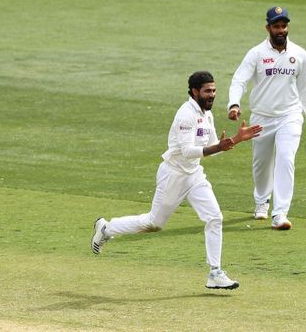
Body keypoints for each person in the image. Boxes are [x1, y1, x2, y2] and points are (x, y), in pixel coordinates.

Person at [91, 71, 262, 290]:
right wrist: (217, 146)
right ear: (194, 91)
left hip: (194, 175)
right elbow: (188, 151)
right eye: (207, 91)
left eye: (214, 90)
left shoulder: (206, 114)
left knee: (215, 217)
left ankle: (215, 273)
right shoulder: (186, 115)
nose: (212, 95)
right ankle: (106, 228)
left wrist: (236, 140)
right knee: (153, 224)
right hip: (173, 174)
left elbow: (211, 150)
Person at [227, 6, 306, 230]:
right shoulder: (257, 53)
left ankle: (280, 214)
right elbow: (240, 79)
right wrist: (234, 103)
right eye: (276, 26)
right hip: (262, 117)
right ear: (267, 27)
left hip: (290, 116)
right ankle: (261, 201)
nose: (281, 30)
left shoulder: (299, 53)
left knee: (286, 159)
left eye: (284, 26)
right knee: (261, 164)